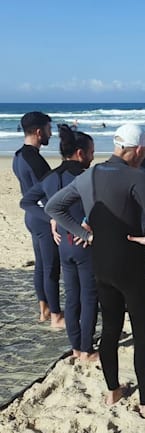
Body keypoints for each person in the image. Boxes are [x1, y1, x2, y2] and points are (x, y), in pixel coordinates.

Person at [45, 123, 145, 415]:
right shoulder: (138, 176)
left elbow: (54, 207)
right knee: (142, 332)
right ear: (138, 149)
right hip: (131, 263)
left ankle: (113, 392)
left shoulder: (90, 174)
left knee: (111, 328)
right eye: (144, 151)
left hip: (100, 263)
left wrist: (86, 234)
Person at [21, 125, 98, 361]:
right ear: (80, 153)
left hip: (63, 244)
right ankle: (86, 350)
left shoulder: (51, 176)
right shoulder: (86, 177)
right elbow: (98, 207)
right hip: (83, 243)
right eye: (92, 151)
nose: (93, 156)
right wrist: (86, 224)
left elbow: (27, 202)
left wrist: (52, 217)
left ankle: (76, 348)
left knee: (72, 295)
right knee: (89, 297)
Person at [12, 111, 64, 328]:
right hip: (43, 217)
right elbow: (49, 189)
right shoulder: (34, 158)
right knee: (51, 267)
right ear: (38, 131)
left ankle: (44, 309)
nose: (51, 133)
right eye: (49, 129)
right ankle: (55, 316)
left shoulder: (18, 156)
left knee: (42, 266)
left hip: (33, 215)